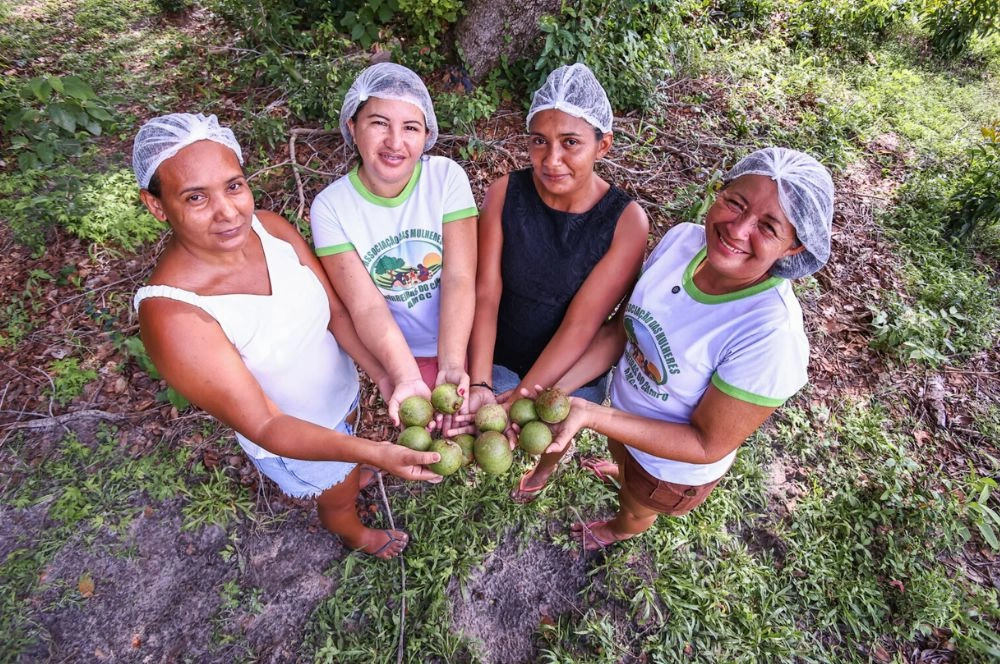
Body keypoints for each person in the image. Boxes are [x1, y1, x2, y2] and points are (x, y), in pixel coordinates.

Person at [131, 113, 442, 560]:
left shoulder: (269, 228)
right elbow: (267, 424)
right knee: (336, 497)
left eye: (234, 186)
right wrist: (377, 453)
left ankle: (351, 470)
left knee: (347, 468)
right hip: (293, 440)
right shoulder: (173, 314)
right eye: (196, 197)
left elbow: (333, 311)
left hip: (342, 400)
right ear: (157, 205)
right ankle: (353, 531)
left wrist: (383, 376)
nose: (228, 211)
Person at [521, 147, 835, 551]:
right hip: (621, 417)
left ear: (794, 248)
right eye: (735, 202)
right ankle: (621, 468)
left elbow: (706, 444)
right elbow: (622, 331)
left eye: (769, 227)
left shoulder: (770, 333)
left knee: (638, 504)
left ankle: (620, 529)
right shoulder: (682, 241)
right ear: (718, 193)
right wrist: (560, 390)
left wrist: (593, 415)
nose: (738, 229)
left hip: (668, 468)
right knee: (622, 459)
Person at [464, 63, 649, 502]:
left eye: (571, 143)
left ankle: (543, 470)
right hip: (501, 349)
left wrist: (528, 393)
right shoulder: (503, 193)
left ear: (602, 145)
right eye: (538, 142)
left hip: (572, 365)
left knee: (553, 434)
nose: (551, 160)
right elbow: (486, 292)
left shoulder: (625, 222)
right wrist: (482, 383)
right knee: (489, 428)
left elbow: (583, 324)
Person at [309, 63, 478, 414]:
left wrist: (452, 361)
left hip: (463, 334)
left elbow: (459, 277)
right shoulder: (331, 207)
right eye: (379, 123)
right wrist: (405, 374)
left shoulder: (446, 178)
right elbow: (366, 305)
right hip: (403, 350)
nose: (395, 142)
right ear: (352, 127)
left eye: (411, 127)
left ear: (426, 134)